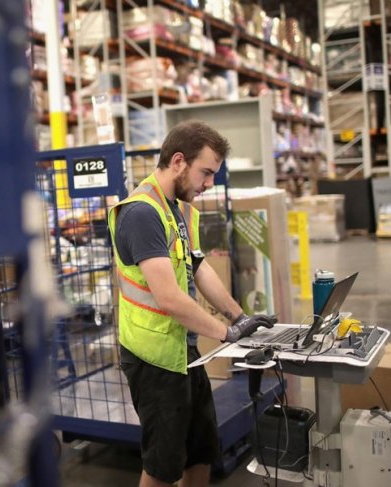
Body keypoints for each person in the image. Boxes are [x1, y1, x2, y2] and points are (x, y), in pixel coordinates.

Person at [108, 120, 277, 487]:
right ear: (179, 161)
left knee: (201, 452)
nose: (209, 183)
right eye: (206, 172)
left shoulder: (177, 209)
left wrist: (239, 316)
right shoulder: (142, 214)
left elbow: (199, 268)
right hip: (153, 359)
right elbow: (169, 297)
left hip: (183, 351)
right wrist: (226, 333)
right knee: (162, 466)